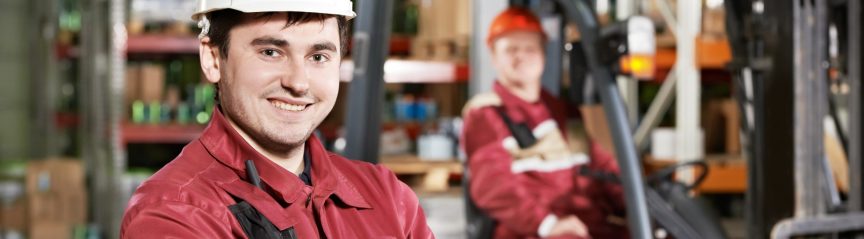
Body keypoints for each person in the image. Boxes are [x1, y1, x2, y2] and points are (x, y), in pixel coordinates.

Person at [120, 1, 434, 238]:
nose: (298, 82)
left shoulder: (387, 197)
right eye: (271, 52)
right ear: (213, 58)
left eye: (318, 57)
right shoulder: (173, 214)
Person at [461, 7, 628, 239]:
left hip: (588, 225)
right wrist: (547, 224)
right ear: (494, 56)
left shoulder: (564, 111)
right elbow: (493, 184)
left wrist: (636, 198)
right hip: (536, 231)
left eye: (530, 48)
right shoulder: (486, 114)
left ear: (543, 53)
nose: (521, 56)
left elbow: (598, 165)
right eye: (511, 50)